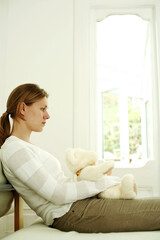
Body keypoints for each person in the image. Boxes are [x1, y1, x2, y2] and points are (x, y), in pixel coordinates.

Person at [0, 83, 160, 233]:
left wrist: (93, 182)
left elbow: (60, 186)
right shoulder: (14, 150)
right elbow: (57, 194)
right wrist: (101, 184)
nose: (47, 116)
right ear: (22, 108)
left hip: (76, 207)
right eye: (42, 109)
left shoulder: (24, 147)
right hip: (69, 213)